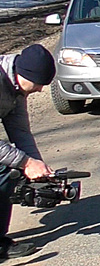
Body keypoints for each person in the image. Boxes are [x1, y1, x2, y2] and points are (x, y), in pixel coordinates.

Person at [0, 44, 55, 260]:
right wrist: (25, 163)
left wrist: (37, 168)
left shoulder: (15, 89)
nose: (40, 90)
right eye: (39, 84)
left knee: (11, 170)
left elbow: (20, 132)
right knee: (4, 171)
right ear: (22, 74)